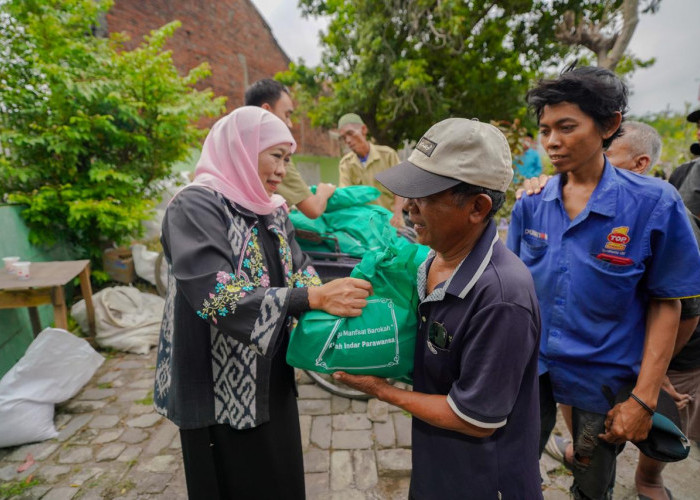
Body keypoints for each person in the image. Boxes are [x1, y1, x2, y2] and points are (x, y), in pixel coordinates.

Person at [153, 106, 373, 499]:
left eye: (288, 160)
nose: (283, 171)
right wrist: (311, 297)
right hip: (215, 379)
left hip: (269, 371)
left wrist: (333, 312)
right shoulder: (195, 207)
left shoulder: (272, 209)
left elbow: (300, 268)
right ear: (240, 149)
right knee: (230, 480)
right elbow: (215, 294)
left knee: (277, 474)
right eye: (275, 156)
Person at [507, 66, 700, 500]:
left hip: (602, 382)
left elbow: (667, 303)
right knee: (516, 467)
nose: (552, 141)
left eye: (566, 127)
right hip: (532, 370)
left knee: (592, 480)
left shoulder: (653, 203)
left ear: (609, 125)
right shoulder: (531, 205)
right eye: (544, 130)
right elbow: (513, 292)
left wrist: (644, 399)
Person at [333, 118, 543, 499]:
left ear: (477, 208)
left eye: (425, 196)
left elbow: (475, 419)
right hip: (437, 460)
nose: (409, 208)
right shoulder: (433, 260)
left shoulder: (501, 297)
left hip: (482, 479)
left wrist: (380, 389)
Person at [244, 78, 336, 218]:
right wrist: (323, 191)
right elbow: (313, 209)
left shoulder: (236, 142)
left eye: (285, 159)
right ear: (266, 111)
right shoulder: (272, 153)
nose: (281, 171)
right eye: (287, 115)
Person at [336, 113, 405, 227]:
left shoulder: (387, 155)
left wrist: (398, 215)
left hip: (392, 223)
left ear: (363, 129)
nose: (347, 140)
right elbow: (346, 196)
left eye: (350, 133)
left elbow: (400, 188)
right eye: (344, 137)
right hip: (366, 227)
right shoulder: (346, 164)